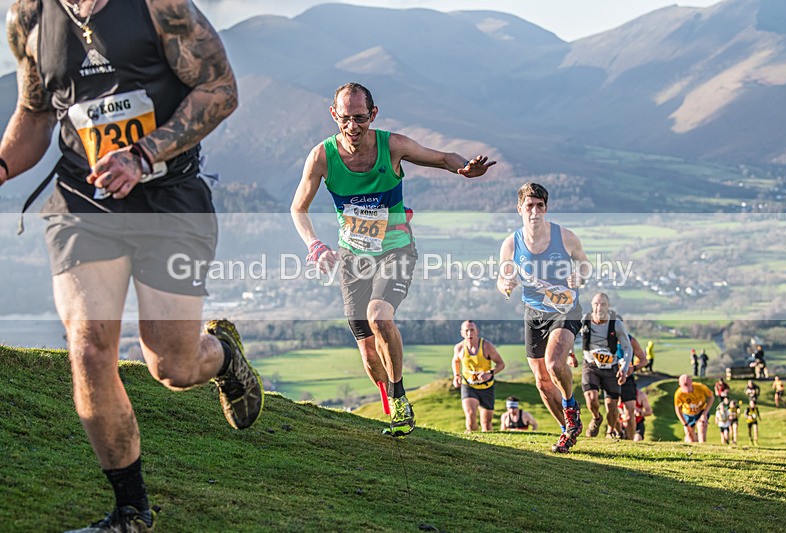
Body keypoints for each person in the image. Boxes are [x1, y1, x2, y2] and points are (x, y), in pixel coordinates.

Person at [0, 1, 264, 530]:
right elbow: (35, 114)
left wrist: (141, 155)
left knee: (172, 366)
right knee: (89, 345)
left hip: (168, 196)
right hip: (83, 201)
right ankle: (130, 512)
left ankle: (223, 357)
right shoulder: (29, 17)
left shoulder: (158, 6)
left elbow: (220, 89)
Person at [291, 82, 495, 437]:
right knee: (369, 353)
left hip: (396, 249)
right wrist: (314, 244)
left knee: (379, 316)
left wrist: (464, 168)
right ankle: (389, 399)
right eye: (345, 119)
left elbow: (442, 157)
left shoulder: (392, 146)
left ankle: (402, 400)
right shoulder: (322, 157)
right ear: (333, 114)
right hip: (353, 258)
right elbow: (298, 207)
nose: (352, 127)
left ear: (373, 115)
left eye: (360, 118)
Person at [497, 182, 589, 453]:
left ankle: (571, 407)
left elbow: (584, 263)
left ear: (546, 208)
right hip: (533, 312)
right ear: (519, 209)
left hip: (565, 308)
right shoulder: (511, 243)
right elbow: (502, 277)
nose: (535, 212)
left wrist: (579, 276)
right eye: (529, 206)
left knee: (553, 363)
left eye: (540, 206)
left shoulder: (566, 237)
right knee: (541, 379)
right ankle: (567, 431)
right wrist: (506, 285)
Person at [568, 293, 633, 440]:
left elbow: (627, 348)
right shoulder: (584, 320)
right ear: (592, 305)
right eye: (596, 304)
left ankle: (613, 431)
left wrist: (624, 369)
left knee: (612, 406)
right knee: (591, 399)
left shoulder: (616, 323)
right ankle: (596, 418)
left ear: (608, 306)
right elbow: (569, 335)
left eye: (603, 304)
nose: (599, 307)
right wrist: (570, 354)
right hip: (591, 365)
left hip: (612, 367)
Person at [452, 320, 505, 433]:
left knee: (486, 424)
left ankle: (487, 447)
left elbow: (501, 364)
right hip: (468, 386)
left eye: (472, 330)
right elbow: (455, 360)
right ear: (462, 333)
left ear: (477, 332)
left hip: (486, 387)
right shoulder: (459, 348)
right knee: (470, 415)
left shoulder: (487, 346)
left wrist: (489, 373)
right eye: (466, 331)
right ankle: (473, 442)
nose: (469, 334)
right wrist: (456, 375)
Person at [617, 333, 646, 440]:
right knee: (612, 409)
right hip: (610, 378)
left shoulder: (630, 340)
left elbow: (644, 360)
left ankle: (629, 440)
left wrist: (633, 368)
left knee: (629, 413)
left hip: (628, 378)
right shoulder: (603, 337)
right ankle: (614, 432)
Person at [674, 374, 714, 443]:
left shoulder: (700, 387)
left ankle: (703, 448)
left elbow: (711, 397)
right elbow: (677, 410)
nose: (687, 391)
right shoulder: (679, 394)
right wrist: (685, 424)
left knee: (702, 427)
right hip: (688, 414)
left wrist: (704, 413)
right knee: (690, 437)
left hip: (701, 411)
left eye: (688, 388)